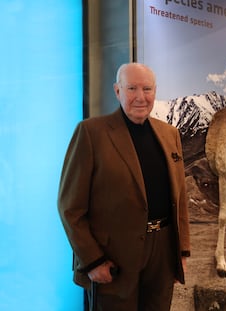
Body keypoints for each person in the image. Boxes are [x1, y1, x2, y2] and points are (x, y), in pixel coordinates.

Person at [58, 63, 191, 311]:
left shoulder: (169, 134)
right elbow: (70, 208)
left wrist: (181, 251)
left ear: (155, 91)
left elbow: (180, 197)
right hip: (113, 256)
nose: (140, 97)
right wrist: (92, 260)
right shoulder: (91, 133)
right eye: (131, 88)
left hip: (162, 251)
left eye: (147, 89)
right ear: (117, 91)